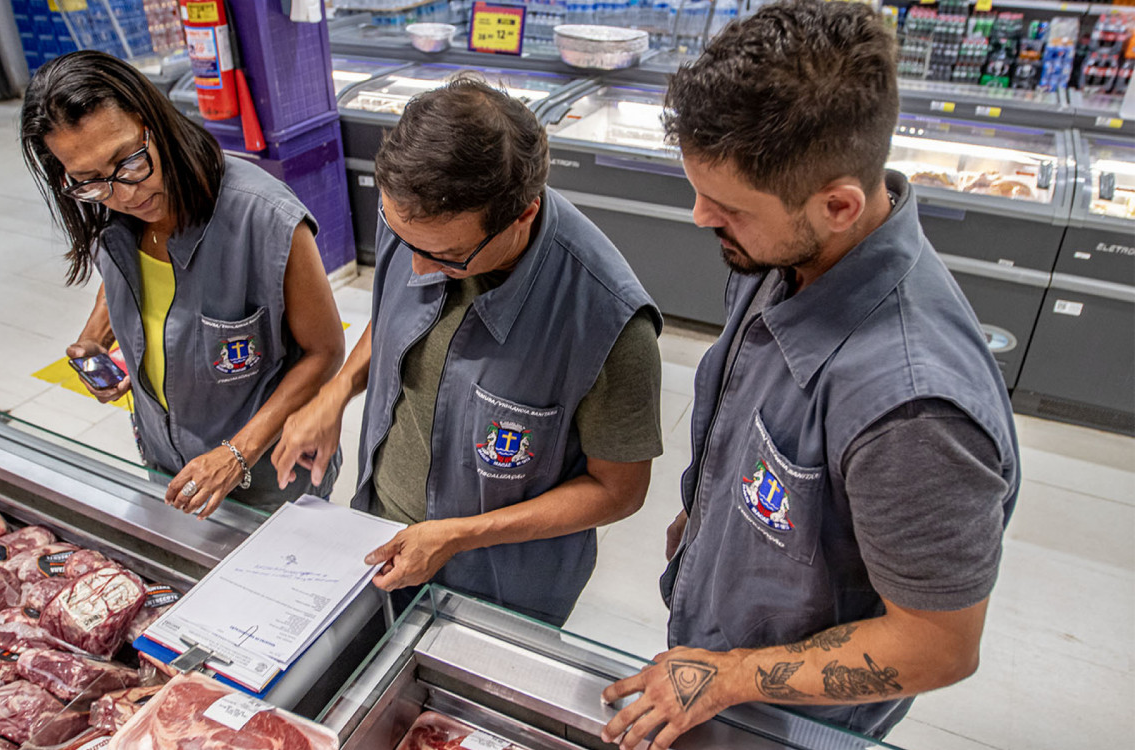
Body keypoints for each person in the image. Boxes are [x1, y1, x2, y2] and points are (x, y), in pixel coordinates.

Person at [600, 1, 1020, 745]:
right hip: (721, 655)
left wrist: (728, 677)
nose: (700, 217)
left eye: (727, 207)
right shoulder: (788, 254)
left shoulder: (913, 410)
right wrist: (712, 520)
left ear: (838, 205)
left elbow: (937, 644)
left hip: (789, 721)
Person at [273, 78, 664, 626]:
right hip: (379, 537)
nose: (417, 268)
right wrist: (335, 393)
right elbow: (393, 315)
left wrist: (459, 536)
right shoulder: (415, 221)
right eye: (403, 240)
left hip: (497, 588)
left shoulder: (608, 322)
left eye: (448, 257)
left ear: (522, 215)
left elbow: (618, 491)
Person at [20, 51, 345, 519]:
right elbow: (123, 277)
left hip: (265, 475)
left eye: (128, 161)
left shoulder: (264, 216)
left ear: (152, 120)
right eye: (89, 180)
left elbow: (325, 351)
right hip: (165, 458)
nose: (125, 194)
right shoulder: (111, 209)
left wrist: (236, 454)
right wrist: (95, 335)